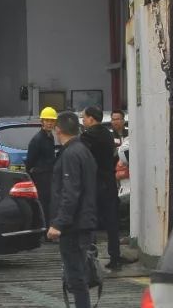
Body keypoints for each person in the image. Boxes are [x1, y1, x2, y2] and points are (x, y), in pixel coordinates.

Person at [49, 110, 99, 308]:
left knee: (76, 277)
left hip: (74, 225)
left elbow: (70, 192)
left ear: (58, 129)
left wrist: (58, 223)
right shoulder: (84, 150)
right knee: (79, 275)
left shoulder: (70, 154)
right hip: (84, 220)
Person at [80, 106, 122, 270]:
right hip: (109, 181)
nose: (83, 120)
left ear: (91, 119)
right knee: (112, 221)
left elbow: (83, 158)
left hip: (95, 182)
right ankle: (115, 256)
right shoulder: (107, 134)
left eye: (84, 117)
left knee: (91, 219)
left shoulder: (87, 136)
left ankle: (91, 257)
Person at [26, 106, 59, 226]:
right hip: (40, 177)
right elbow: (30, 161)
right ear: (42, 122)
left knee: (49, 202)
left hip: (49, 175)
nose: (49, 123)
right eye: (47, 120)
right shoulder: (38, 139)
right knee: (43, 203)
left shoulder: (50, 136)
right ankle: (44, 229)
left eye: (52, 121)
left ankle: (48, 227)